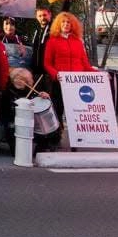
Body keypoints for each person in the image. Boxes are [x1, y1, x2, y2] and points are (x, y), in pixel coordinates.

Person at [41, 12, 93, 143]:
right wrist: (55, 74)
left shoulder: (78, 42)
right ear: (59, 24)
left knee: (77, 112)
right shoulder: (52, 41)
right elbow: (47, 63)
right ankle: (55, 138)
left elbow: (85, 64)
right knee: (57, 111)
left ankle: (79, 138)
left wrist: (101, 75)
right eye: (63, 22)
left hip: (77, 84)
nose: (66, 25)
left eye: (68, 22)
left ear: (73, 25)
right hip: (59, 82)